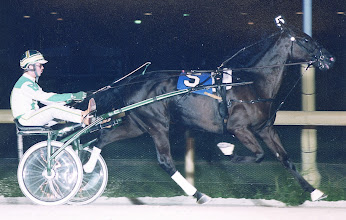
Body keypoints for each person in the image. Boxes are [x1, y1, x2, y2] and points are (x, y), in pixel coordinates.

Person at [10, 50, 96, 127]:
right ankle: (84, 116)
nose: (42, 68)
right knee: (53, 108)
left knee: (64, 106)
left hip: (31, 117)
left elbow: (46, 101)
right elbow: (46, 98)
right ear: (30, 67)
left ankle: (93, 119)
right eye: (40, 65)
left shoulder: (30, 83)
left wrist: (68, 101)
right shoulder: (25, 84)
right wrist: (72, 96)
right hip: (26, 119)